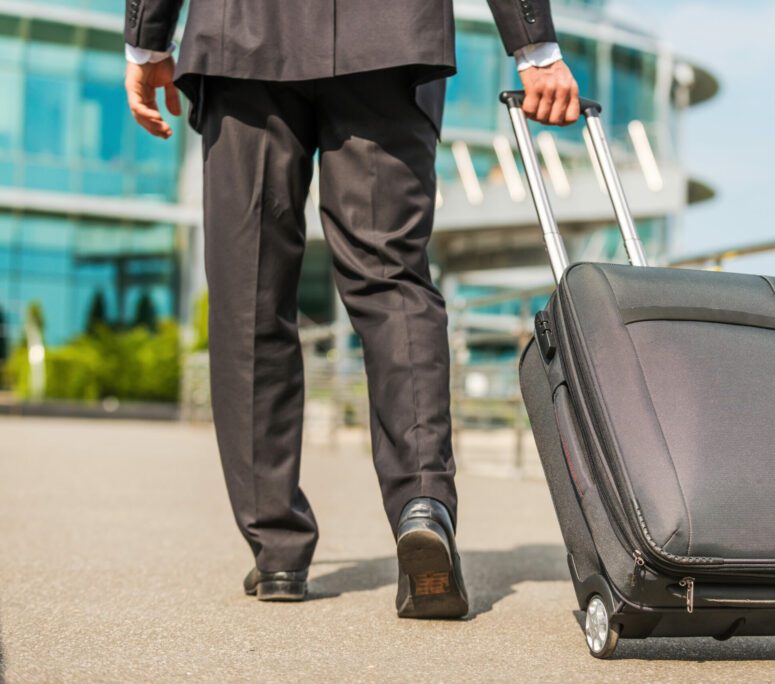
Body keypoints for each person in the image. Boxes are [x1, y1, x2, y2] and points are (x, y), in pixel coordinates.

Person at [123, 0, 579, 618]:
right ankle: (423, 504)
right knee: (391, 281)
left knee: (249, 296)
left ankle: (277, 547)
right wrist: (533, 45)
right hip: (388, 37)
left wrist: (147, 40)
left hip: (244, 36)